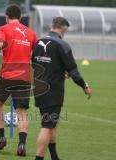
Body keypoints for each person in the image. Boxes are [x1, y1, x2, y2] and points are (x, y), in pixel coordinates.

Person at [31, 17, 92, 160]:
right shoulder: (62, 44)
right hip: (52, 91)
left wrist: (58, 71)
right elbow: (74, 71)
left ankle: (54, 156)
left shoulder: (38, 42)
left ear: (51, 26)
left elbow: (35, 63)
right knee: (47, 126)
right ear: (64, 29)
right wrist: (85, 86)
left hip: (39, 89)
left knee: (52, 123)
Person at [0, 4, 37, 156]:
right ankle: (22, 144)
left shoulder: (3, 29)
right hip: (24, 77)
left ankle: (1, 137)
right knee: (22, 112)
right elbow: (34, 56)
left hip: (7, 75)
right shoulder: (30, 33)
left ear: (6, 16)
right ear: (21, 17)